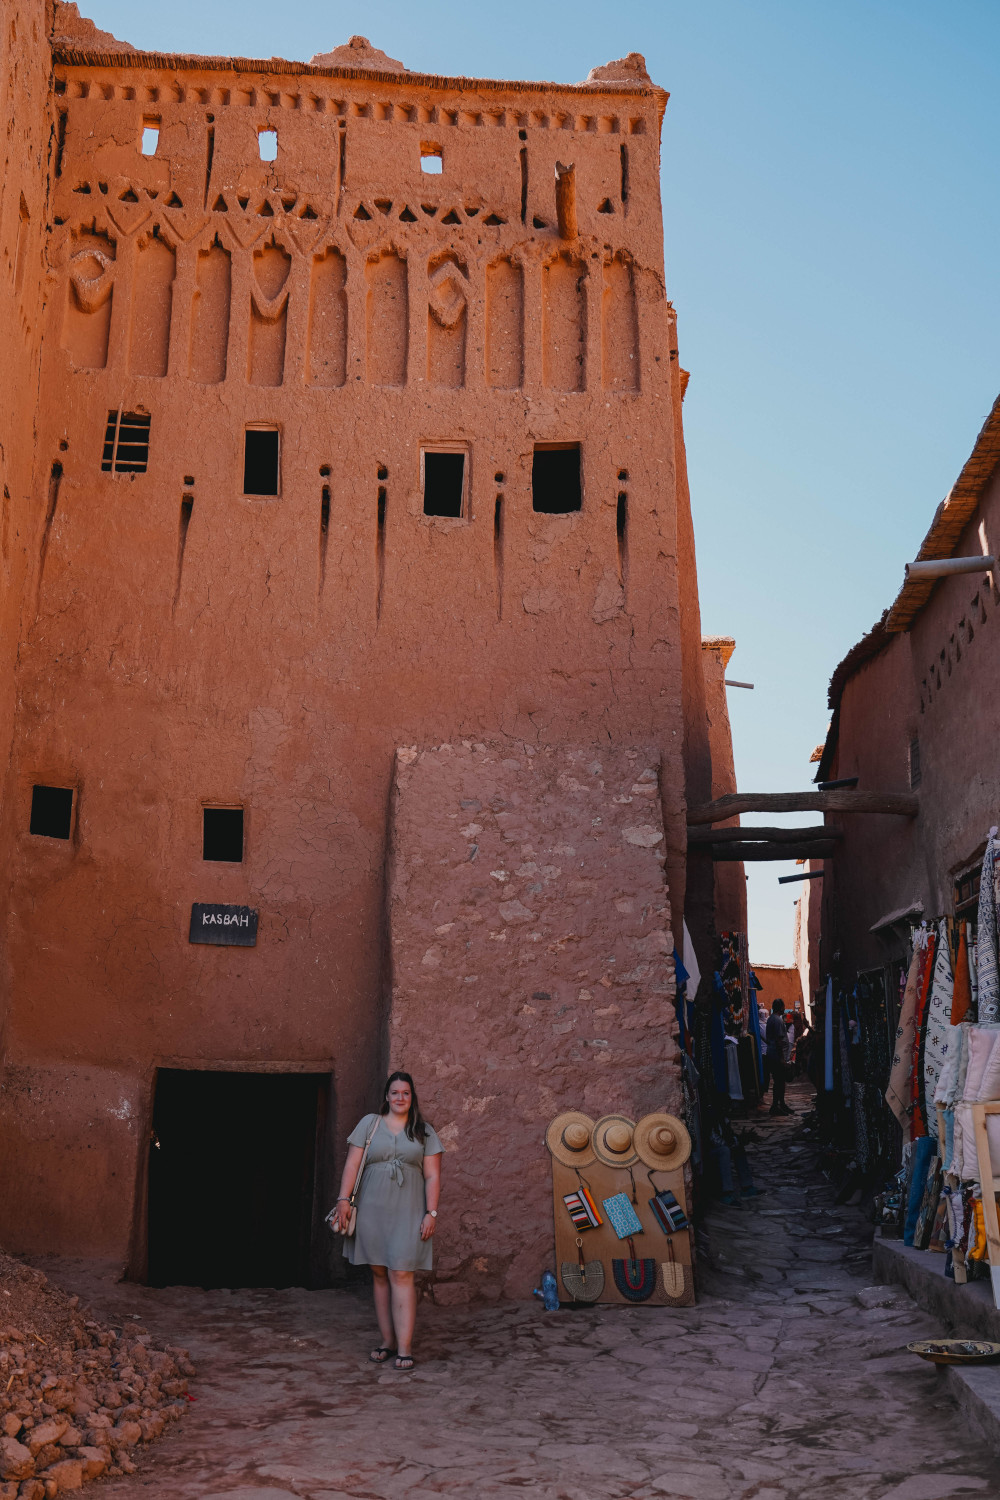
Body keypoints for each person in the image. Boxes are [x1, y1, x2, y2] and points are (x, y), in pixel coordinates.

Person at [330, 1071, 443, 1372]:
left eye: (405, 1093)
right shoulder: (370, 1124)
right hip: (371, 1210)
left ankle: (405, 1348)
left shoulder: (424, 1131)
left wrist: (431, 1213)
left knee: (402, 1274)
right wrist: (343, 1200)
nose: (400, 1098)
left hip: (408, 1212)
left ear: (412, 1097)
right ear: (386, 1096)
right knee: (380, 1273)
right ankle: (387, 1342)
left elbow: (432, 1176)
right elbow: (353, 1163)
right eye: (395, 1093)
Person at [764, 999, 792, 1116]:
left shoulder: (771, 1019)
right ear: (780, 1007)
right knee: (779, 1081)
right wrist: (781, 1057)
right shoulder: (777, 1020)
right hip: (777, 1055)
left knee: (779, 1080)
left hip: (772, 1053)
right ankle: (776, 1105)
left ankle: (781, 1104)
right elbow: (779, 1040)